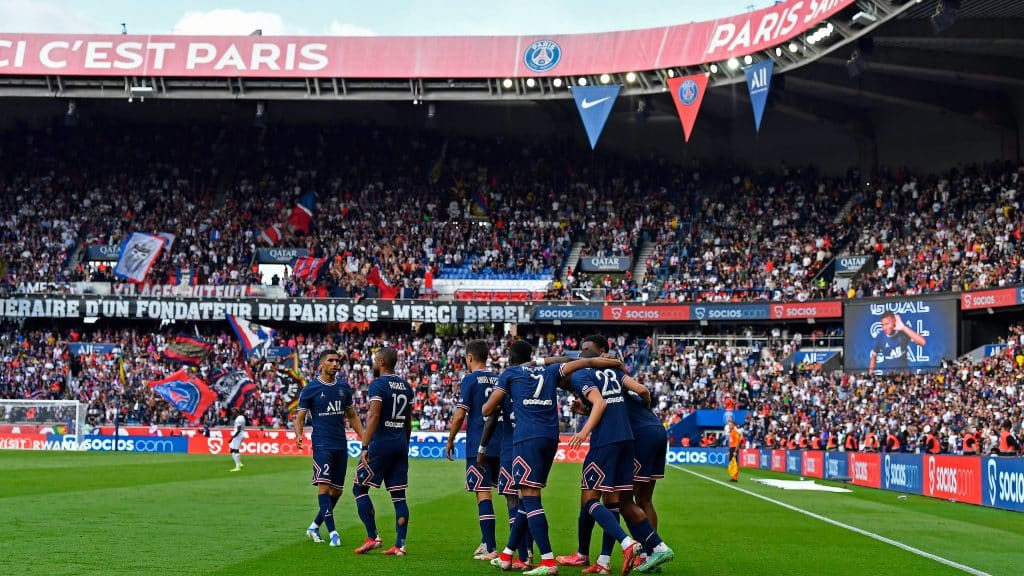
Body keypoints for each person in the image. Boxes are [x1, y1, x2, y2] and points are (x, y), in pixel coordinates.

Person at [480, 340, 628, 576]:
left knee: (529, 497)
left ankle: (548, 562)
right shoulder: (549, 370)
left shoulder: (510, 374)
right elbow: (584, 362)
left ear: (510, 357)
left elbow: (487, 410)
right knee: (526, 498)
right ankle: (508, 555)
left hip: (526, 438)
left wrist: (495, 399)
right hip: (550, 437)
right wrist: (613, 363)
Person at [557, 336, 674, 575]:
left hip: (622, 438)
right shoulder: (615, 371)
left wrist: (583, 430)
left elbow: (601, 403)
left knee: (600, 500)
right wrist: (645, 408)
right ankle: (615, 558)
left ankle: (637, 548)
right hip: (639, 435)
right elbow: (640, 390)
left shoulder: (584, 375)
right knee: (626, 500)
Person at [295, 350, 365, 547]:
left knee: (337, 491)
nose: (335, 363)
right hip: (322, 443)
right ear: (321, 364)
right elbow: (300, 417)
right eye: (331, 360)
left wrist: (365, 439)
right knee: (324, 486)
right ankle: (333, 532)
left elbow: (352, 416)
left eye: (337, 361)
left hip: (340, 444)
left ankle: (314, 526)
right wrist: (299, 433)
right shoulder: (311, 388)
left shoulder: (344, 387)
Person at [353, 347, 415, 556]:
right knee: (399, 496)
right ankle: (400, 545)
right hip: (400, 444)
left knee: (359, 488)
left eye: (373, 360)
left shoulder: (378, 385)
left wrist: (364, 445)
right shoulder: (407, 386)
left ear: (380, 361)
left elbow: (374, 415)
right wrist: (404, 443)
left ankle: (373, 537)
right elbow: (408, 421)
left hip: (381, 444)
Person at [445, 339, 501, 560]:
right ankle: (513, 549)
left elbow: (460, 415)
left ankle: (491, 546)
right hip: (501, 443)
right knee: (510, 495)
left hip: (479, 445)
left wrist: (450, 440)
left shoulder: (470, 379)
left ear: (469, 358)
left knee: (483, 493)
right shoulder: (499, 378)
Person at [228, 407, 246, 472]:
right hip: (240, 434)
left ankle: (237, 467)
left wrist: (232, 437)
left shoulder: (239, 419)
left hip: (238, 435)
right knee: (231, 449)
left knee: (236, 450)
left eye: (233, 411)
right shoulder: (241, 417)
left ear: (237, 412)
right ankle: (239, 463)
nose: (232, 413)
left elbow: (238, 430)